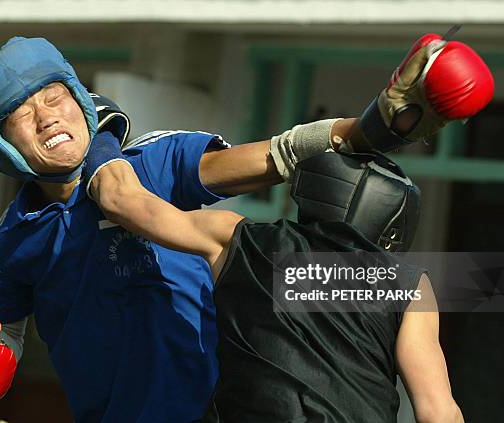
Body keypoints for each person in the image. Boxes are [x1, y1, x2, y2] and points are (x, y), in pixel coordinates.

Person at [0, 25, 490, 423]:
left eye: (53, 97)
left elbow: (276, 156)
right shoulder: (14, 237)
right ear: (2, 145)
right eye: (23, 115)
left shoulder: (154, 164)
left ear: (79, 99)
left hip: (221, 407)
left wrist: (375, 127)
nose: (47, 116)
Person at [82, 139, 464, 422]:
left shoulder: (239, 239)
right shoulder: (408, 284)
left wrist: (100, 139)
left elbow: (121, 201)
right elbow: (437, 411)